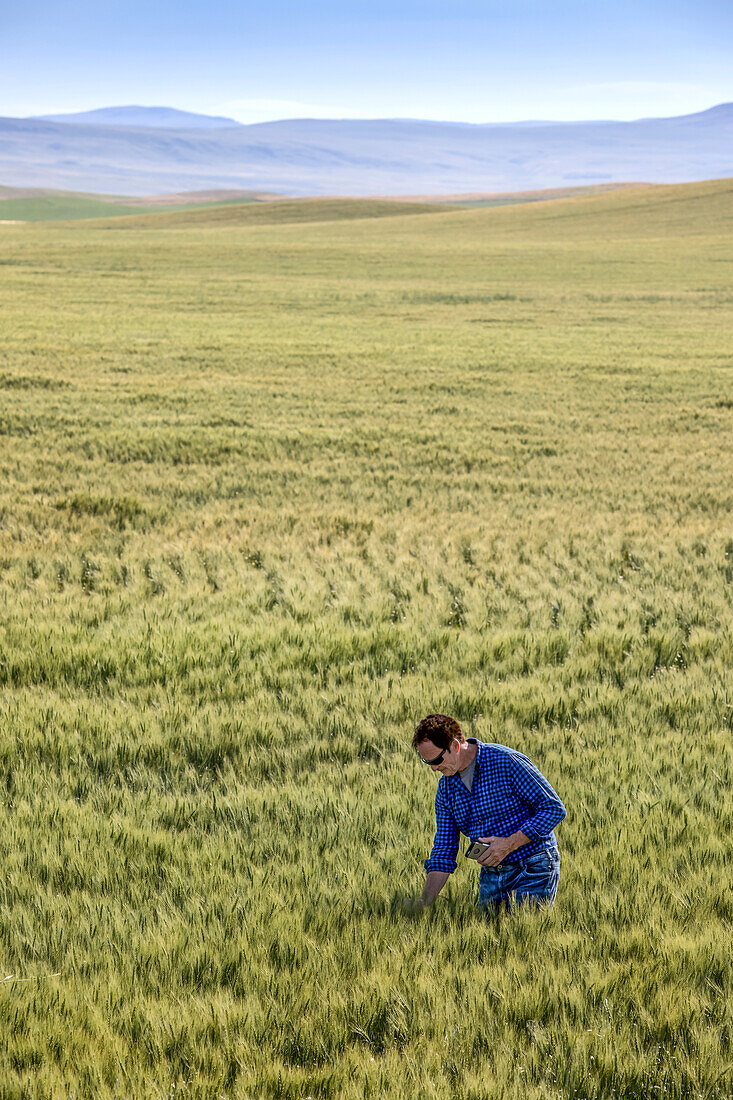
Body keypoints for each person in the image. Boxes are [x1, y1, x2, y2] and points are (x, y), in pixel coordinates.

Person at [405, 713, 566, 915]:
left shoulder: (505, 761)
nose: (434, 768)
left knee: (523, 937)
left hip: (533, 867)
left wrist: (508, 845)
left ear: (455, 746)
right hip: (492, 874)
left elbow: (553, 808)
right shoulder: (445, 790)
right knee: (494, 941)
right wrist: (424, 902)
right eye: (427, 762)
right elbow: (444, 849)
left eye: (437, 759)